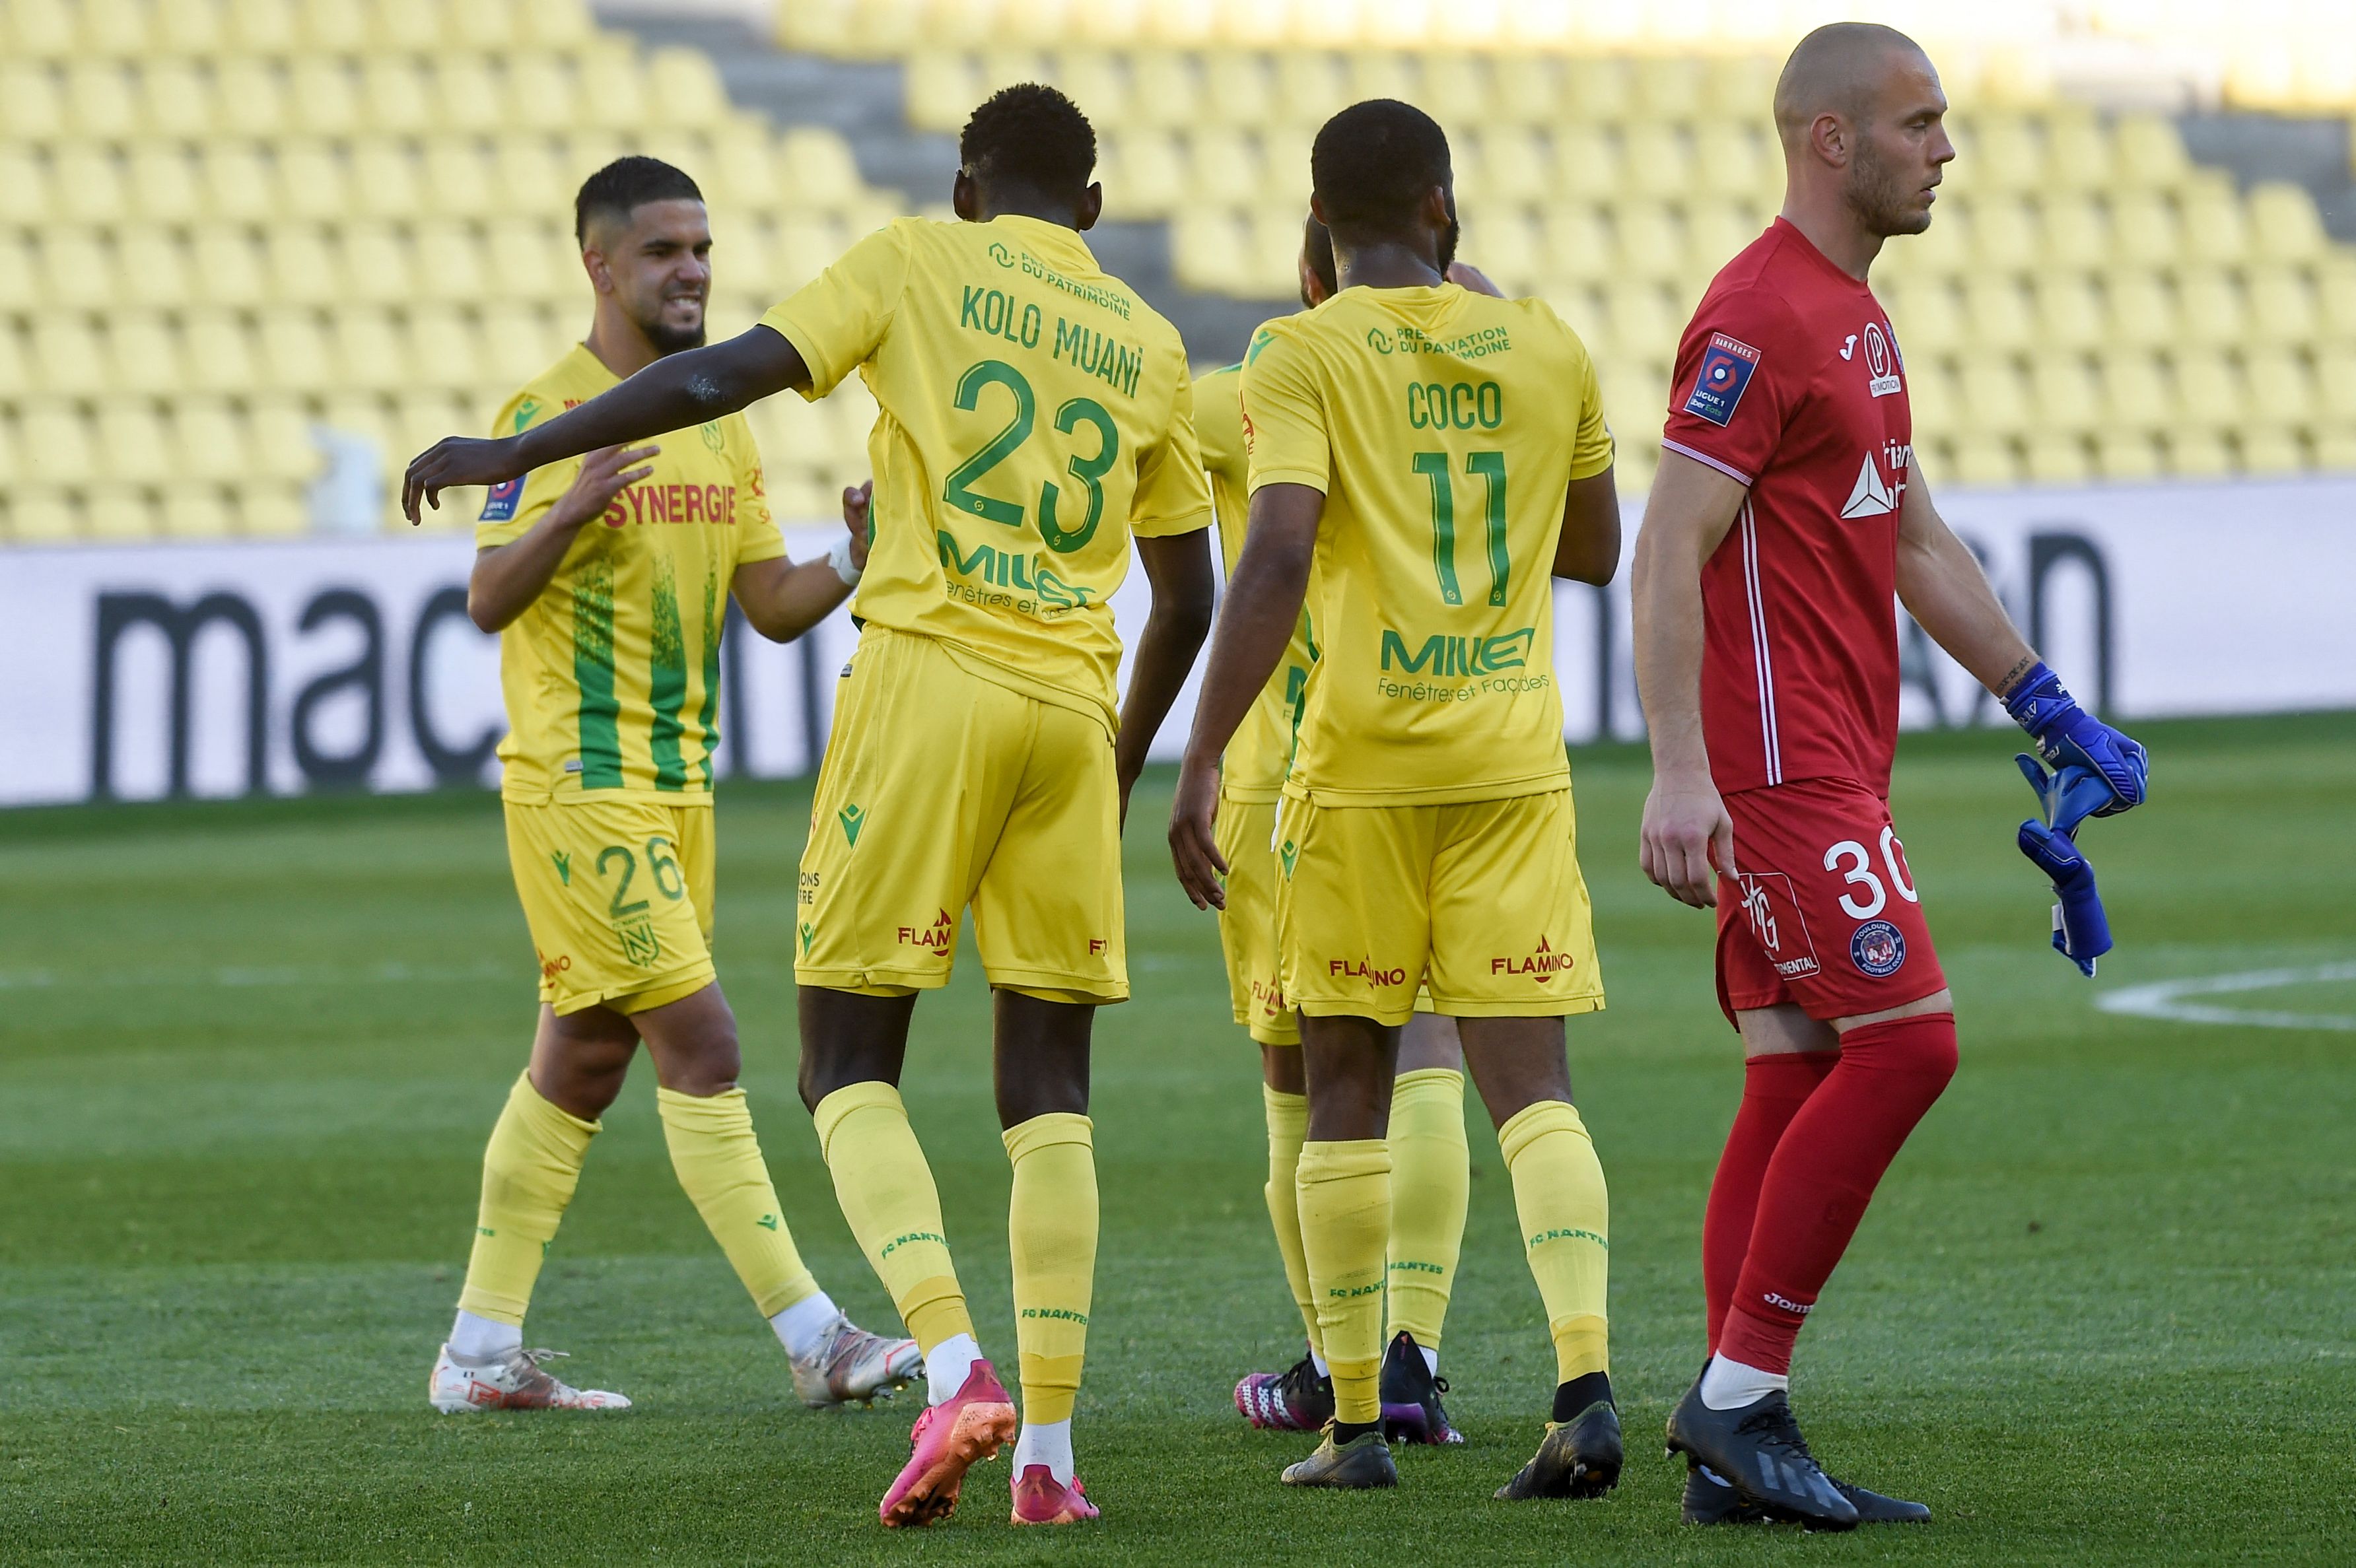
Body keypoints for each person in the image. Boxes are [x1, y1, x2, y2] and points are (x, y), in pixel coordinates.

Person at [403, 88, 1217, 1530]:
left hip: (928, 689)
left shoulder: (914, 258)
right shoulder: (1148, 342)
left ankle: (945, 1360)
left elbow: (725, 383)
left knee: (841, 1063)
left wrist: (509, 455)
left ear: (969, 188)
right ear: (1090, 207)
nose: (695, 272)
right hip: (1068, 706)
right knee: (1049, 1093)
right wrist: (1119, 758)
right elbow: (1190, 593)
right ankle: (1049, 1457)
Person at [1632, 24, 2147, 1530]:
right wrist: (1679, 774)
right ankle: (1736, 1401)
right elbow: (1670, 545)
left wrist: (2039, 697)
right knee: (1908, 1048)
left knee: (1791, 1066)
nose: (1943, 151)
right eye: (1918, 124)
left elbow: (1908, 534)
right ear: (1828, 141)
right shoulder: (1753, 317)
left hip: (1828, 760)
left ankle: (1732, 1434)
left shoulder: (1852, 315)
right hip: (1776, 773)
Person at [1169, 100, 1626, 1497]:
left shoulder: (1294, 353)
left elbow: (1276, 557)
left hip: (1356, 773)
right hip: (1507, 771)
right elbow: (1597, 552)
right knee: (1529, 1092)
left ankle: (1355, 1427)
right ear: (1442, 204)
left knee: (1345, 1090)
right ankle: (1585, 1389)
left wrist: (1196, 758)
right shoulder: (1547, 342)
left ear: (1318, 223)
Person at [429, 156, 917, 1418]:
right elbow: (485, 600)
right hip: (580, 786)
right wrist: (565, 508)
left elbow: (770, 607)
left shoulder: (718, 414)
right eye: (663, 252)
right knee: (703, 1045)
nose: (693, 271)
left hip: (678, 793)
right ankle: (816, 1336)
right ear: (599, 264)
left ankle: (480, 1353)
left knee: (584, 1062)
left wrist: (853, 559)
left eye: (702, 248)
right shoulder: (550, 413)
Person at [1210, 218, 1513, 1449]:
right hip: (1434, 748)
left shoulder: (1261, 381)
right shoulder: (1482, 384)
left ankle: (1341, 1366)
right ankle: (1415, 1356)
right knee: (1432, 1049)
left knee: (1305, 1081)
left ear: (1309, 275)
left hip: (1287, 777)